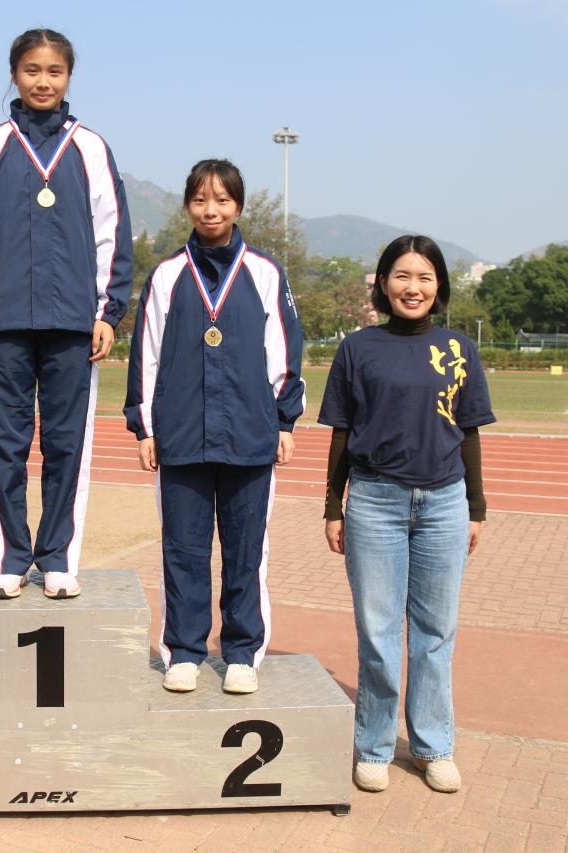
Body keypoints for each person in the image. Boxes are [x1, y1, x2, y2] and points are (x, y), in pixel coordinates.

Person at [0, 28, 133, 601]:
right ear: (14, 75)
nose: (42, 81)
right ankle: (9, 556)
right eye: (31, 70)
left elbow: (113, 234)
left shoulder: (91, 147)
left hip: (73, 324)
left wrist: (108, 311)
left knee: (67, 446)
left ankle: (57, 558)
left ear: (69, 77)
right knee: (5, 444)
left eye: (54, 71)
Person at [319, 235, 495, 794]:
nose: (412, 287)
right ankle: (373, 747)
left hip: (444, 504)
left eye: (424, 277)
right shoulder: (357, 348)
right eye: (401, 275)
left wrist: (475, 507)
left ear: (438, 285)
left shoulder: (459, 348)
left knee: (435, 632)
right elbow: (342, 431)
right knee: (377, 633)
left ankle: (432, 747)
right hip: (375, 502)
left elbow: (469, 432)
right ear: (383, 282)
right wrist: (333, 504)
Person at [124, 159, 304, 695]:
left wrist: (284, 421)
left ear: (238, 206)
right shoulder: (166, 275)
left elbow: (285, 352)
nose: (211, 210)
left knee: (246, 552)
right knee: (183, 551)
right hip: (181, 436)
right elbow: (146, 355)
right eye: (201, 200)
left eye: (222, 200)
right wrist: (145, 428)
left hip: (250, 435)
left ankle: (242, 651)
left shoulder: (266, 273)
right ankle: (184, 650)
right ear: (188, 206)